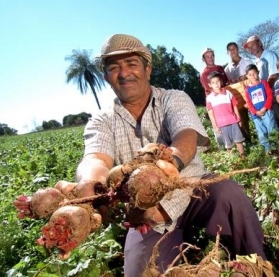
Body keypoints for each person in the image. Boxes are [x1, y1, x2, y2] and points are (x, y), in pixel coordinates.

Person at [68, 34, 265, 276]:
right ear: (106, 77)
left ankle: (259, 266)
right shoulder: (101, 121)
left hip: (193, 191)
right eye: (114, 68)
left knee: (228, 192)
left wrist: (170, 163)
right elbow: (95, 159)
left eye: (131, 64)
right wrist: (91, 184)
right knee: (140, 270)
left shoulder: (173, 98)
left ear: (147, 69)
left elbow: (186, 135)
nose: (124, 73)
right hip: (148, 215)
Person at [243, 35, 279, 132]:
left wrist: (265, 90)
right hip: (269, 95)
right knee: (277, 117)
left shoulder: (269, 55)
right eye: (249, 47)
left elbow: (273, 75)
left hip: (277, 91)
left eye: (253, 45)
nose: (251, 48)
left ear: (259, 43)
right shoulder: (256, 61)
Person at [206, 71, 246, 158]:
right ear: (210, 85)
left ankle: (243, 158)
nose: (216, 84)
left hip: (233, 121)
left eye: (217, 81)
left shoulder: (228, 93)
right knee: (228, 144)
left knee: (238, 140)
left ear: (221, 82)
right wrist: (215, 125)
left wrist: (239, 119)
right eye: (213, 83)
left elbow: (235, 106)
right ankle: (232, 160)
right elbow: (211, 114)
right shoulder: (209, 98)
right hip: (222, 124)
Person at [244, 64, 277, 151]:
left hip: (267, 111)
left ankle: (276, 148)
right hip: (256, 115)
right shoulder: (247, 89)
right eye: (250, 75)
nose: (253, 76)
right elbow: (249, 103)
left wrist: (264, 108)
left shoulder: (264, 83)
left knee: (272, 129)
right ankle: (268, 150)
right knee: (262, 133)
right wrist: (255, 112)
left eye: (254, 73)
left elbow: (270, 96)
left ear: (258, 72)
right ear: (247, 76)